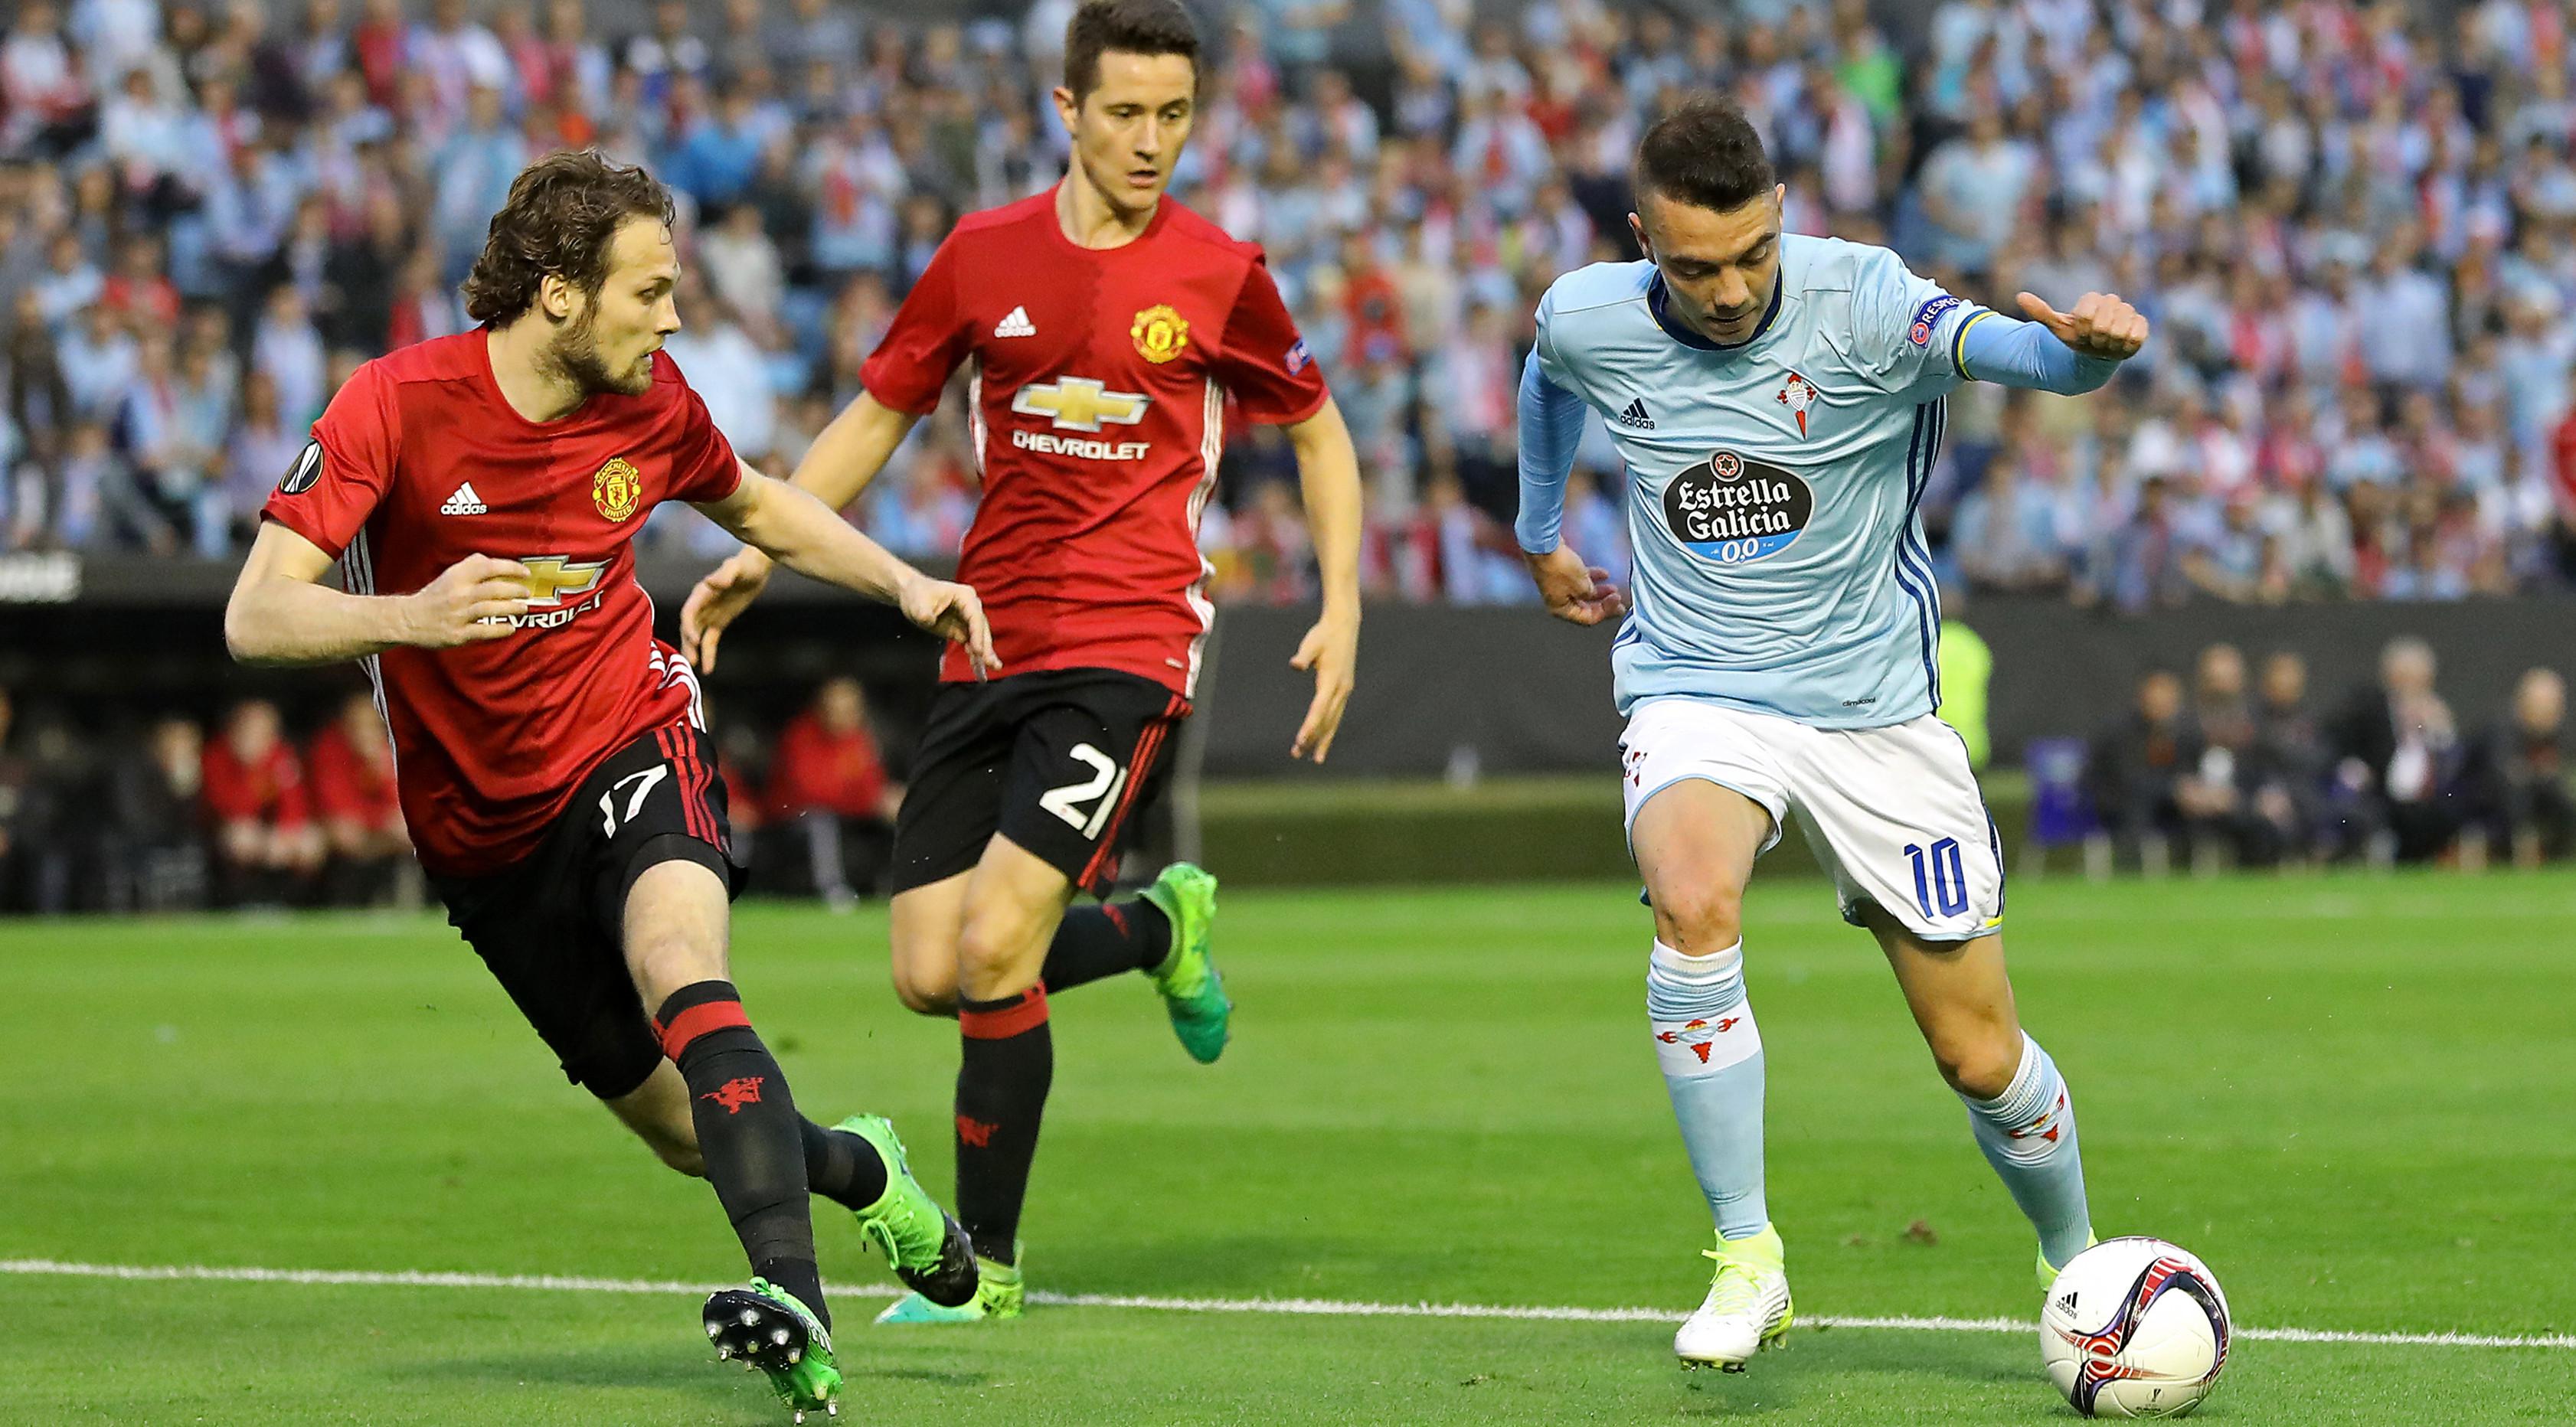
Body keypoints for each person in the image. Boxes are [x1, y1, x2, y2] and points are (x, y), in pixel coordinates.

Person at [222, 150, 998, 1419]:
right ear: (559, 294)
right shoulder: (393, 404)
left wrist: (906, 583)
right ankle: (865, 1172)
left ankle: (794, 1301)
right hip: (482, 839)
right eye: (649, 290)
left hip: (629, 733)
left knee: (681, 963)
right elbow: (255, 615)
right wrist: (412, 614)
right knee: (690, 1132)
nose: (674, 318)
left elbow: (758, 504)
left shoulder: (651, 400)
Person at [679, 0, 1365, 1324]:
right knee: (928, 972)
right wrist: (766, 549)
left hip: (1130, 640)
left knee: (997, 949)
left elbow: (1320, 431)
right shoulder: (979, 256)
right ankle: (1159, 927)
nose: (1151, 140)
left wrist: (1342, 605)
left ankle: (981, 1268)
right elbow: (876, 414)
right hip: (986, 635)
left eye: (1174, 115)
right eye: (1126, 112)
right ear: (1066, 110)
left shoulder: (1220, 272)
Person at [1515, 98, 2148, 1371]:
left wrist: (2086, 357)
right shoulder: (1584, 313)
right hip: (1695, 686)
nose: (1730, 290)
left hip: (1872, 712)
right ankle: (1747, 1256)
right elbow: (1547, 382)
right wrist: (1540, 536)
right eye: (1694, 266)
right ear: (1642, 240)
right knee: (1691, 900)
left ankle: (2074, 1256)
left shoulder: (1865, 299)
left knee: (1977, 1052)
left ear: (1781, 216)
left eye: (1752, 254)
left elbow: (2015, 357)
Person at [767, 674, 902, 906]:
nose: (842, 717)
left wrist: (887, 799)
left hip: (849, 817)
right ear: (820, 708)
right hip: (793, 821)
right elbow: (811, 793)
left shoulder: (859, 739)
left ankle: (896, 886)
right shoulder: (800, 736)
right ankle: (831, 889)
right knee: (821, 822)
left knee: (902, 811)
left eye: (850, 710)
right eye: (835, 709)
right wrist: (870, 801)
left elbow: (872, 783)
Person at [199, 697, 325, 904]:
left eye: (261, 732)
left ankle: (299, 903)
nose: (252, 738)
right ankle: (239, 902)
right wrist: (248, 769)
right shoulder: (216, 756)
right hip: (226, 832)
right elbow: (227, 807)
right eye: (247, 730)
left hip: (269, 832)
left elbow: (295, 802)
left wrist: (282, 833)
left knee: (310, 842)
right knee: (240, 837)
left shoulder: (280, 756)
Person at [306, 687, 410, 905]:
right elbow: (335, 808)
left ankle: (403, 901)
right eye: (356, 725)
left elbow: (401, 805)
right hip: (346, 829)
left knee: (410, 831)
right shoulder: (330, 749)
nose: (363, 733)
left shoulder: (390, 750)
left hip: (376, 830)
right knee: (341, 835)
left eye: (369, 725)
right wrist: (376, 822)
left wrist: (381, 767)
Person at [2465, 668, 2571, 865]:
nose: (2548, 712)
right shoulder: (2500, 729)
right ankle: (2518, 852)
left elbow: (2554, 771)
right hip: (2483, 801)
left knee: (2561, 798)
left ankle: (2560, 858)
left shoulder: (2552, 734)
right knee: (2516, 795)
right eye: (2541, 705)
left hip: (2530, 796)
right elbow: (2502, 774)